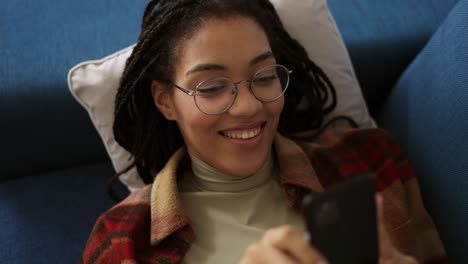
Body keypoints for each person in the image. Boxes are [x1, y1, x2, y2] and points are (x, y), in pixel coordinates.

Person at [79, 0, 447, 263]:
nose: (249, 106)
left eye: (265, 77)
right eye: (210, 88)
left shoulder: (368, 159)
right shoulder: (122, 239)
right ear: (165, 101)